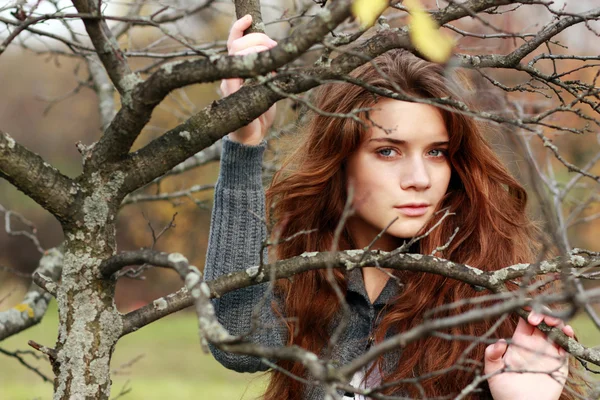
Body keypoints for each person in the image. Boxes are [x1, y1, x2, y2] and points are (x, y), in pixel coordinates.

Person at [204, 15, 585, 400]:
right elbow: (234, 338)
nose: (419, 178)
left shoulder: (489, 302)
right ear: (340, 161)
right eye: (388, 151)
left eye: (436, 152)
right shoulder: (307, 280)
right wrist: (244, 143)